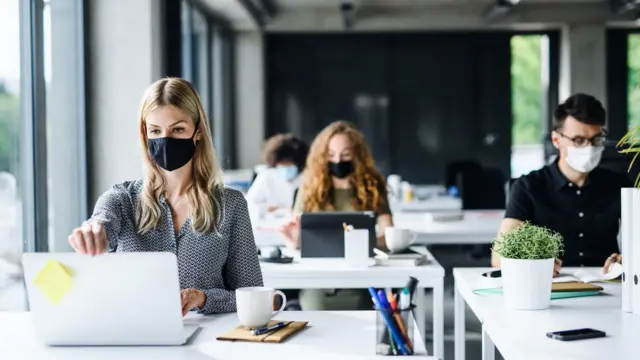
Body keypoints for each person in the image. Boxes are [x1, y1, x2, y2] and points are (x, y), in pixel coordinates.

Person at [67, 77, 263, 315]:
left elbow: (253, 294)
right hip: (134, 335)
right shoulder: (121, 199)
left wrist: (203, 299)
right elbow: (102, 221)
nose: (166, 139)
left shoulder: (230, 205)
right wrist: (93, 231)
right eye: (156, 131)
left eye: (178, 129)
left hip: (208, 339)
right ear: (145, 134)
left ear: (198, 131)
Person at [491, 93, 631, 274]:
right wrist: (536, 265)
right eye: (578, 140)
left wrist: (628, 259)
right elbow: (499, 258)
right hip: (550, 289)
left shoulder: (617, 184)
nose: (589, 148)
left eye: (596, 139)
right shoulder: (529, 187)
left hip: (609, 288)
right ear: (557, 140)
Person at [280, 120, 392, 310]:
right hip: (318, 282)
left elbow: (388, 234)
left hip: (361, 282)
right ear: (323, 157)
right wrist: (293, 241)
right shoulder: (309, 188)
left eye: (345, 154)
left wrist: (365, 242)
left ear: (357, 155)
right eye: (331, 155)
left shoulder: (373, 186)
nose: (338, 161)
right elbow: (298, 235)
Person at [246, 133, 308, 213]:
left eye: (289, 165)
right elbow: (250, 204)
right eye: (282, 165)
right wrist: (268, 208)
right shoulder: (266, 176)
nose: (286, 168)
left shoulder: (307, 177)